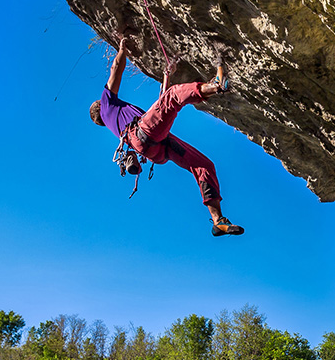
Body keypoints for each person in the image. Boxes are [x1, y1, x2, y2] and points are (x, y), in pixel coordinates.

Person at [91, 37, 243, 236]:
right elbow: (115, 69)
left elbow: (160, 108)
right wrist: (122, 48)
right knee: (173, 96)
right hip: (144, 134)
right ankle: (215, 85)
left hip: (154, 148)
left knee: (204, 165)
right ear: (100, 107)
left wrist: (166, 76)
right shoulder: (106, 105)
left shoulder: (116, 120)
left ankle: (218, 221)